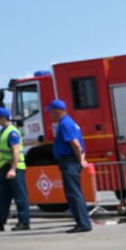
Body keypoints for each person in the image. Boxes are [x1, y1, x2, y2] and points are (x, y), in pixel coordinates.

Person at [0, 107, 31, 232]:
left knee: (20, 197)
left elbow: (15, 151)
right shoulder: (3, 132)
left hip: (14, 168)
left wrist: (13, 169)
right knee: (3, 198)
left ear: (2, 118)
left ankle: (24, 222)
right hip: (5, 168)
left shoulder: (12, 132)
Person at [48, 99, 93, 233]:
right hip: (72, 161)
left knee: (73, 193)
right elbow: (80, 145)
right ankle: (83, 222)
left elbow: (76, 145)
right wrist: (82, 159)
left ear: (57, 111)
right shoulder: (71, 122)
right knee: (76, 192)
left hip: (69, 162)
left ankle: (83, 224)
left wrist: (80, 160)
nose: (50, 114)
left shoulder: (64, 124)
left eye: (51, 111)